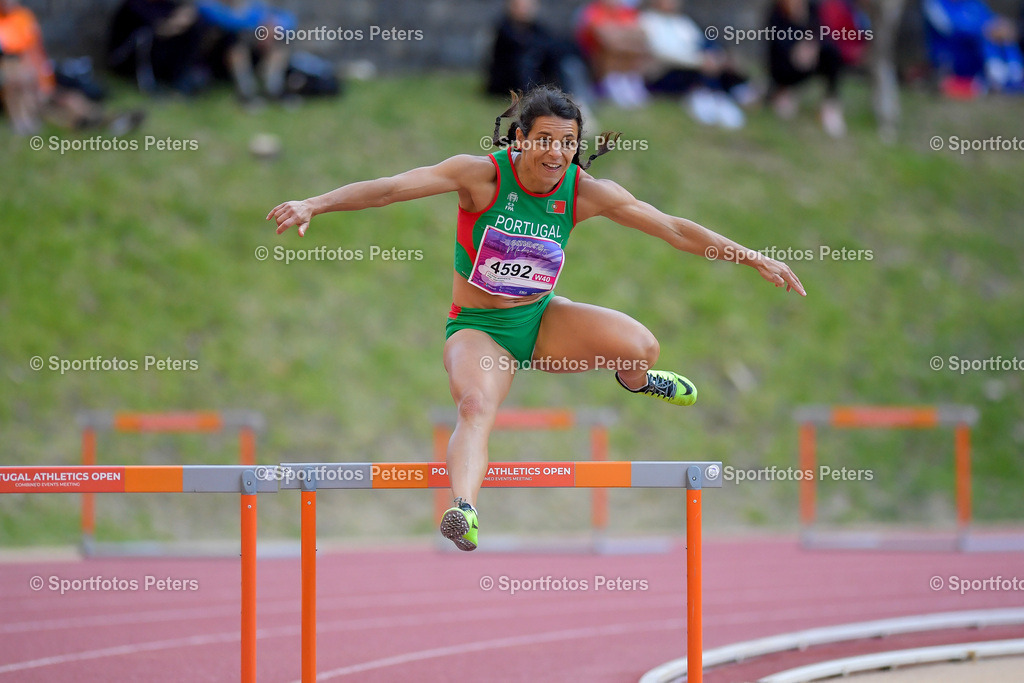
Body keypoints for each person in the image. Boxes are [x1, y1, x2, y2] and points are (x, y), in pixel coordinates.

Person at [267, 86, 805, 552]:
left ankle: (635, 381)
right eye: (545, 140)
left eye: (567, 143)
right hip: (480, 330)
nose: (555, 153)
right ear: (519, 139)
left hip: (542, 322)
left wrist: (751, 255)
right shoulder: (480, 178)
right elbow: (390, 188)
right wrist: (315, 203)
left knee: (642, 347)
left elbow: (672, 228)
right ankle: (464, 510)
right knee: (475, 406)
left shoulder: (584, 192)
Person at [0, 0, 144, 135]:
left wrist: (45, 84)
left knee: (72, 100)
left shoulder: (22, 17)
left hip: (36, 81)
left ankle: (106, 120)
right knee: (42, 101)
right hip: (15, 85)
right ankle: (91, 125)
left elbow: (37, 55)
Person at [638, 0, 753, 129]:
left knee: (717, 58)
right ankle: (703, 96)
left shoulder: (682, 22)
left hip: (694, 65)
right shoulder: (646, 20)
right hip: (665, 72)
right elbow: (662, 52)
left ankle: (724, 95)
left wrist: (717, 56)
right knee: (700, 69)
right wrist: (698, 61)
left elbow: (699, 43)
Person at [486, 0, 594, 112]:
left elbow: (553, 45)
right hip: (507, 82)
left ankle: (570, 95)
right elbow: (520, 47)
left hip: (536, 78)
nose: (524, 10)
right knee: (526, 60)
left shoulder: (537, 28)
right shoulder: (505, 28)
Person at [765, 0, 847, 137]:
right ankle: (783, 91)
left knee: (832, 53)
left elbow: (823, 34)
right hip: (785, 65)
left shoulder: (812, 8)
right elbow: (776, 45)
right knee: (786, 63)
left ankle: (830, 104)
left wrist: (812, 46)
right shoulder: (776, 12)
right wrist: (795, 49)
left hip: (809, 59)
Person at [196, 0, 296, 106]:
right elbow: (226, 21)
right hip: (217, 59)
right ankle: (246, 93)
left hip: (251, 52)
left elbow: (288, 20)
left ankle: (273, 88)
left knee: (278, 40)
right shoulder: (208, 4)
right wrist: (258, 24)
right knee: (234, 42)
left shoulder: (255, 5)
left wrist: (270, 29)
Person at [923, 0, 1024, 95]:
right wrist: (985, 30)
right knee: (987, 38)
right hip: (951, 54)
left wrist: (1005, 28)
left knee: (1003, 37)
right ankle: (997, 81)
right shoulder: (934, 3)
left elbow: (991, 20)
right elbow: (947, 27)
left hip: (975, 53)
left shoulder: (972, 3)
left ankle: (1015, 76)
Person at [575, 0, 650, 108]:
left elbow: (642, 34)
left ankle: (630, 82)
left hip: (624, 54)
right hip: (593, 58)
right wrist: (626, 35)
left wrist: (619, 34)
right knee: (613, 49)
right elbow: (606, 38)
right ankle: (612, 85)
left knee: (636, 48)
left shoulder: (627, 12)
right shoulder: (593, 11)